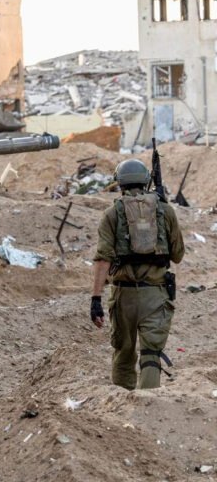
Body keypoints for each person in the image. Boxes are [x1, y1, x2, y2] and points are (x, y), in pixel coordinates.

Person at [91, 158, 184, 390]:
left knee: (123, 353)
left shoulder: (112, 214)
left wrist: (95, 299)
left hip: (123, 297)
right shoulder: (165, 211)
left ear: (119, 183)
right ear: (146, 181)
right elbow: (178, 255)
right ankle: (147, 409)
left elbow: (103, 259)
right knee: (151, 354)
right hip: (156, 294)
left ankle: (122, 412)